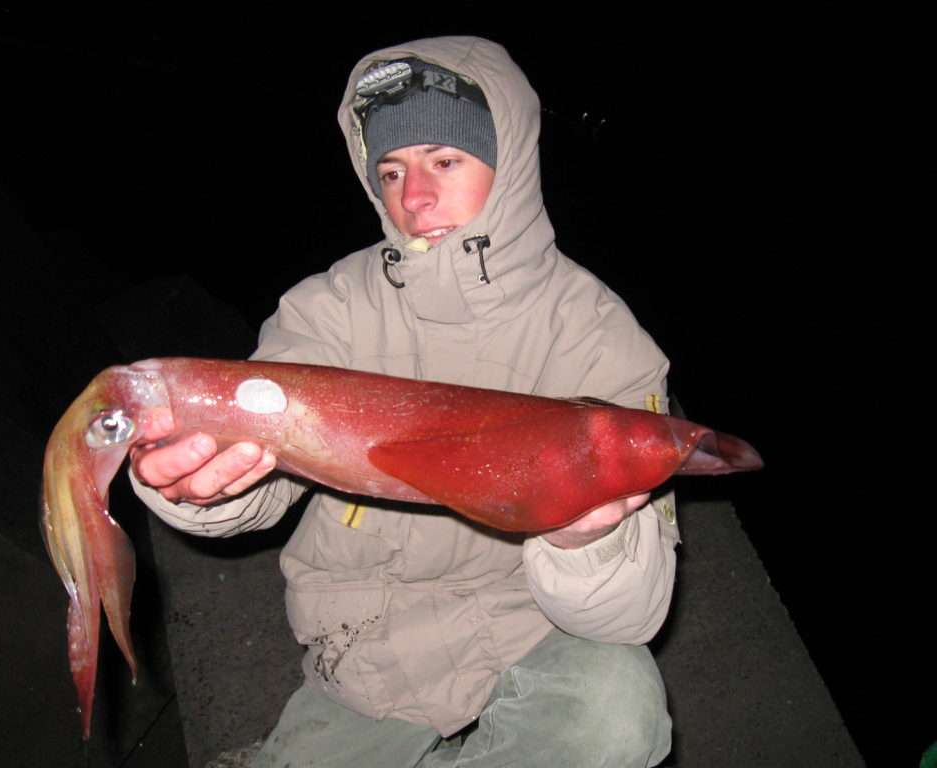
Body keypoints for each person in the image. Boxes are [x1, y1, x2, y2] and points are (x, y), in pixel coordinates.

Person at [131, 36, 678, 767]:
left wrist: (588, 544)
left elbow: (633, 613)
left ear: (510, 161)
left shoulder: (602, 337)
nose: (413, 197)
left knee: (617, 713)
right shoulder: (327, 309)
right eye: (391, 170)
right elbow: (255, 461)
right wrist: (198, 486)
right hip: (367, 643)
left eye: (444, 161)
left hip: (530, 623)